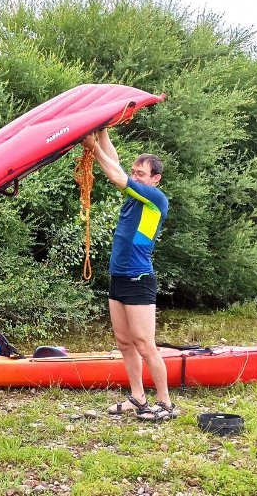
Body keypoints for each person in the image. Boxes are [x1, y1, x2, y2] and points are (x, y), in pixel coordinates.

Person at [81, 128, 176, 421]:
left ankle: (166, 403)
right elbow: (118, 165)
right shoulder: (134, 194)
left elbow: (115, 174)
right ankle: (137, 397)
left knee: (145, 344)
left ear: (155, 179)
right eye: (135, 172)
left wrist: (92, 147)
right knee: (124, 343)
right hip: (118, 277)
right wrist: (102, 130)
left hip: (138, 279)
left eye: (142, 174)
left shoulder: (154, 198)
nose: (136, 176)